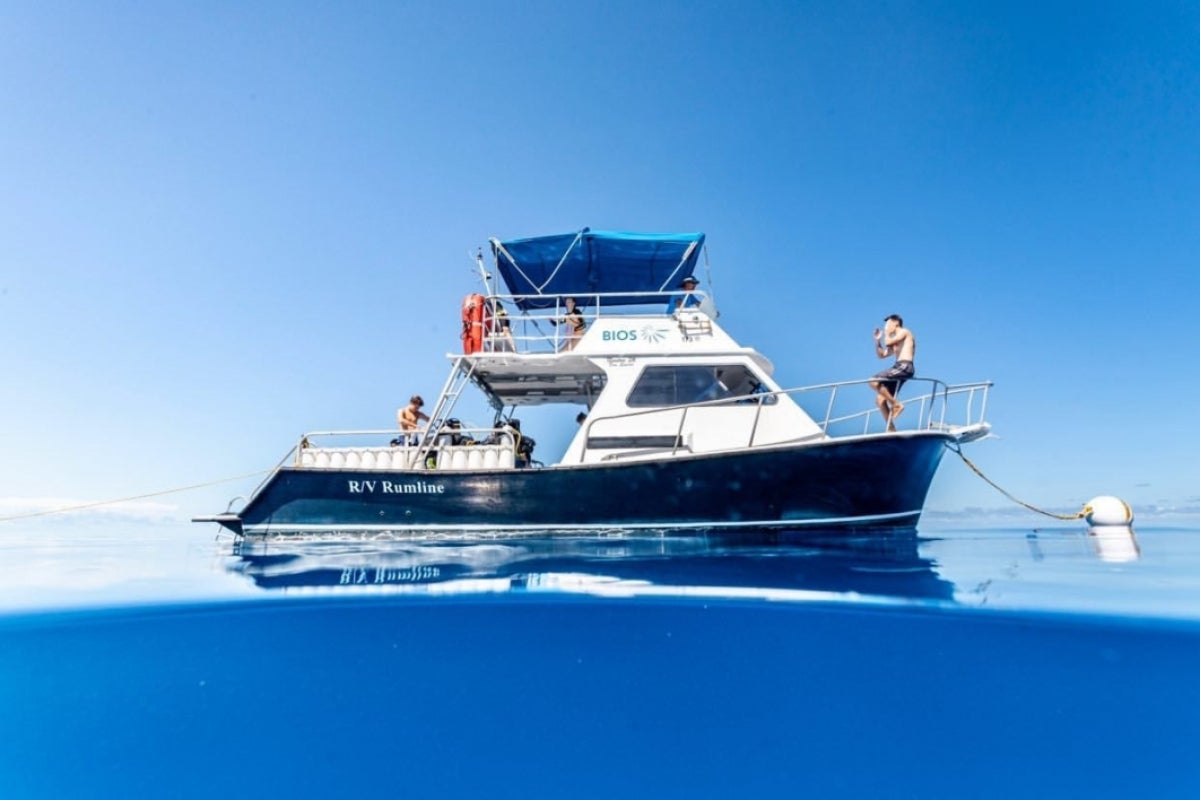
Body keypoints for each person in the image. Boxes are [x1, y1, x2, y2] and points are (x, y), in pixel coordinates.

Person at [870, 314, 916, 432]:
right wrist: (877, 341)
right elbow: (881, 355)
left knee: (873, 381)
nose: (886, 327)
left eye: (887, 324)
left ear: (895, 323)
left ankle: (896, 405)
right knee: (880, 400)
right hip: (898, 367)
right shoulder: (895, 340)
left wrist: (886, 333)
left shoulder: (904, 332)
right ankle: (891, 429)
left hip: (905, 366)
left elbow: (889, 342)